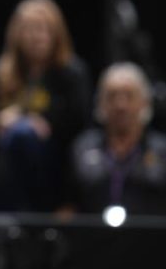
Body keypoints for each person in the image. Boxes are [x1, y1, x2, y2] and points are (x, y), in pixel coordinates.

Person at [0, 0, 91, 212]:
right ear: (17, 34)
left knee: (23, 134)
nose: (37, 37)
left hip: (52, 175)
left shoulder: (72, 74)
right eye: (30, 29)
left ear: (57, 34)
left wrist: (42, 123)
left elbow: (81, 128)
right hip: (4, 173)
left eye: (44, 29)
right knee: (17, 135)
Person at [68, 62, 166, 215]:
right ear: (100, 102)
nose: (120, 105)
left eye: (129, 96)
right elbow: (67, 206)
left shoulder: (162, 151)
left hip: (149, 229)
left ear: (145, 102)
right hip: (93, 228)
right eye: (112, 96)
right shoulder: (82, 148)